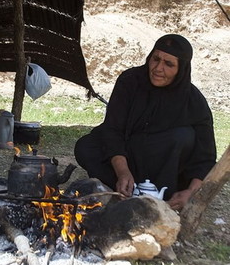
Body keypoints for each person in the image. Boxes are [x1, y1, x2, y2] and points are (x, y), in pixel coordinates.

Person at [74, 34, 217, 211]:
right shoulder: (130, 81)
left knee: (183, 136)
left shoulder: (194, 102)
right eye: (156, 59)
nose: (158, 68)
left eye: (168, 64)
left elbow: (206, 157)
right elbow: (113, 128)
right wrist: (122, 171)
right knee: (87, 146)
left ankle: (158, 198)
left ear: (181, 69)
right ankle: (124, 188)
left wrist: (191, 192)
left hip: (166, 162)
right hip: (130, 153)